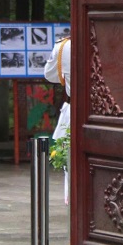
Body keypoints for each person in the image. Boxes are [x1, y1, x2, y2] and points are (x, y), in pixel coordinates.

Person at [44, 32, 71, 204]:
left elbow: (50, 74)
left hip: (73, 109)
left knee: (70, 161)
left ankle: (72, 200)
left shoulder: (65, 47)